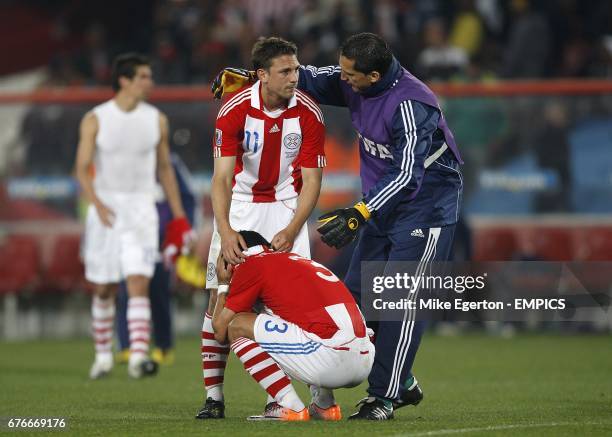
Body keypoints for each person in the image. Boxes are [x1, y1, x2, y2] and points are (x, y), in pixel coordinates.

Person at [212, 32, 463, 420]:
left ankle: (384, 397)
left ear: (374, 76)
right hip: (382, 207)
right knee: (354, 301)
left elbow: (408, 174)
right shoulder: (355, 77)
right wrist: (253, 77)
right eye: (342, 69)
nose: (341, 79)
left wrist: (360, 212)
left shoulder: (413, 105)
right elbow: (308, 76)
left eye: (349, 75)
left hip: (425, 209)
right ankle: (404, 381)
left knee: (400, 303)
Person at [197, 37, 326, 419]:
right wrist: (225, 230)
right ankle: (214, 398)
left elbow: (312, 180)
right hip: (241, 209)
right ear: (262, 75)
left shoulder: (309, 113)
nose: (294, 77)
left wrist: (292, 227)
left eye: (297, 69)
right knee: (218, 307)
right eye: (286, 71)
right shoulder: (233, 110)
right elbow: (221, 178)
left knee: (292, 310)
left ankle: (287, 399)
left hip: (287, 209)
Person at [75, 53, 193, 380]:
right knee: (104, 288)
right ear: (124, 80)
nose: (149, 82)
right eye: (143, 76)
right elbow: (82, 168)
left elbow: (165, 169)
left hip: (143, 208)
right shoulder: (95, 118)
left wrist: (179, 218)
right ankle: (102, 355)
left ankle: (139, 357)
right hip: (107, 209)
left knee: (139, 279)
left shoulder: (157, 119)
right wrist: (96, 203)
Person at [212, 231, 374, 421]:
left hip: (333, 360)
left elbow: (220, 331)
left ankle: (289, 405)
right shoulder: (294, 259)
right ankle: (325, 405)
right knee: (305, 324)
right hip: (364, 358)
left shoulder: (251, 264)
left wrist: (223, 284)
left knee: (237, 326)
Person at [116, 153, 197, 365]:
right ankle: (127, 345)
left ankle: (164, 346)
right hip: (133, 235)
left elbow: (188, 198)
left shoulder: (171, 163)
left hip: (162, 240)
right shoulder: (126, 160)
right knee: (128, 288)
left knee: (159, 290)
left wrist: (184, 231)